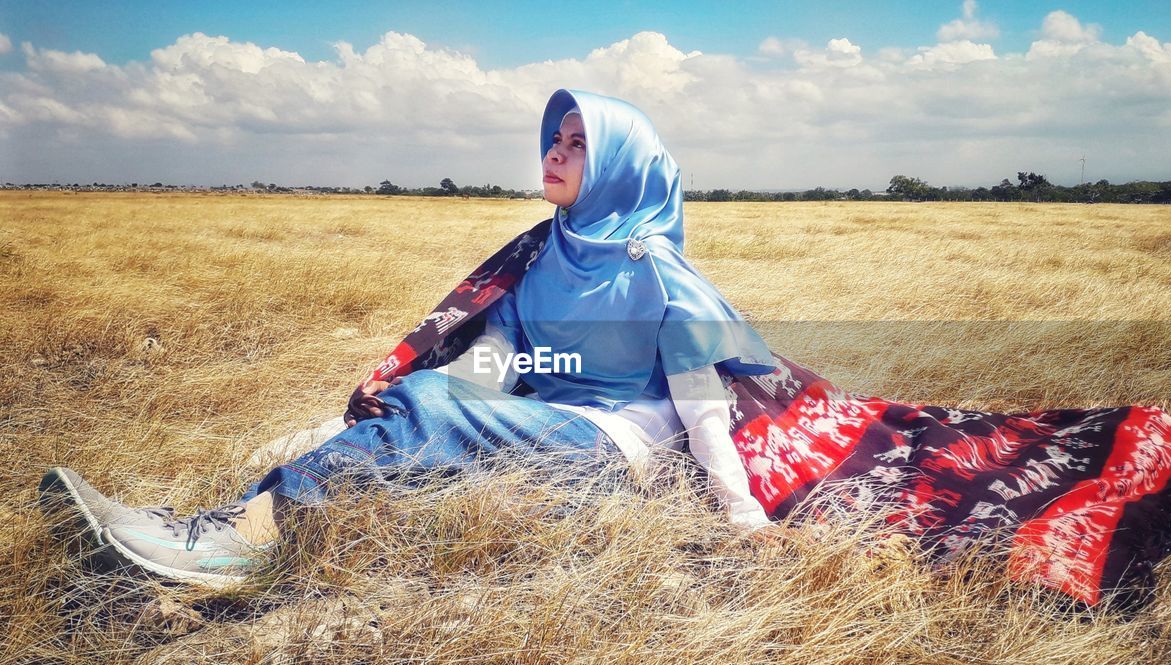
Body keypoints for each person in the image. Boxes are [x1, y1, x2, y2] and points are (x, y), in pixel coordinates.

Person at [39, 89, 779, 589]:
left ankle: (237, 544)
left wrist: (742, 519)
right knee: (423, 412)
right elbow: (499, 367)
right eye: (554, 139)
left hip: (616, 450)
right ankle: (226, 523)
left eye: (579, 145)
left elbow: (701, 404)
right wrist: (378, 416)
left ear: (622, 169)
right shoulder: (540, 256)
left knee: (431, 402)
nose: (554, 154)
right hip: (534, 430)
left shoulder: (659, 274)